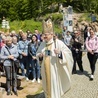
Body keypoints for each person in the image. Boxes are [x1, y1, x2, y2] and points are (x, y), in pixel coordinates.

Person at [36, 19, 73, 98]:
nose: (44, 36)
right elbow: (38, 53)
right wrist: (40, 56)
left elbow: (68, 53)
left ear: (51, 34)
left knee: (54, 85)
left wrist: (60, 53)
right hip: (44, 69)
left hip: (54, 70)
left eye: (46, 34)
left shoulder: (58, 43)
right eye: (44, 34)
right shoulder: (42, 44)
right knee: (46, 85)